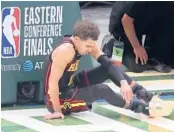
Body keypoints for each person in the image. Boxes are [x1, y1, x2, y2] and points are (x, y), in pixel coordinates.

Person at [44, 19, 174, 120]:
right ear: (77, 39)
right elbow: (52, 84)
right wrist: (56, 111)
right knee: (102, 89)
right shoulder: (65, 51)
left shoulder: (84, 43)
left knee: (106, 69)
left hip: (71, 85)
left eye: (92, 46)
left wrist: (123, 82)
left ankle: (146, 96)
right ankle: (142, 108)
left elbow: (108, 65)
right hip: (58, 98)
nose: (90, 49)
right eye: (88, 46)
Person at [109, 2, 174, 73]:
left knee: (169, 62)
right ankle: (110, 44)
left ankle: (153, 55)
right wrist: (137, 47)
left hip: (150, 23)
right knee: (136, 66)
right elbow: (126, 20)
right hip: (123, 27)